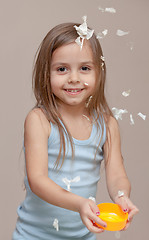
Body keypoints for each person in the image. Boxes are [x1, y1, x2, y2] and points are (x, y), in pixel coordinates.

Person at [12, 17, 138, 240]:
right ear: (46, 74)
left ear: (98, 72)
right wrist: (80, 204)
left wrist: (121, 196)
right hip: (33, 236)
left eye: (84, 68)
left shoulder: (107, 125)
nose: (74, 78)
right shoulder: (39, 120)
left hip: (83, 236)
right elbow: (38, 180)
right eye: (62, 69)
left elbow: (117, 175)